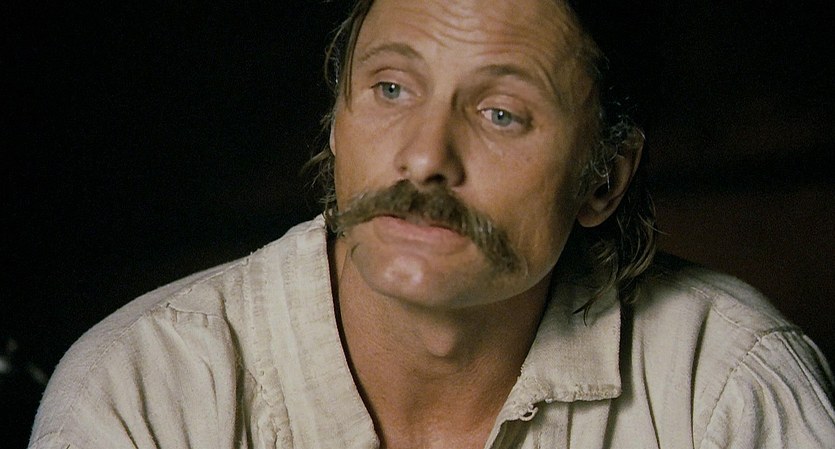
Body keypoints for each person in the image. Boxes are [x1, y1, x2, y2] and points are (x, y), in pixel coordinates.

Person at [28, 0, 835, 447]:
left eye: (500, 112)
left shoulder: (721, 386)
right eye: (391, 89)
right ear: (337, 123)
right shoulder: (145, 391)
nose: (423, 158)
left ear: (602, 179)